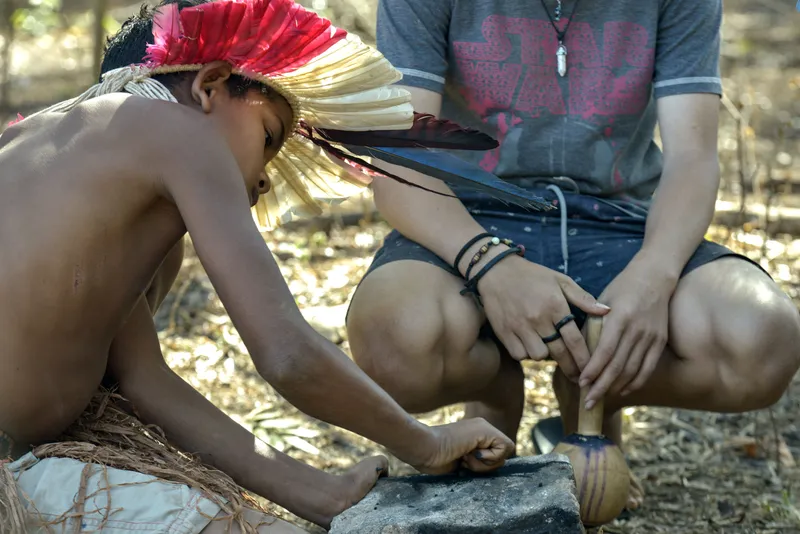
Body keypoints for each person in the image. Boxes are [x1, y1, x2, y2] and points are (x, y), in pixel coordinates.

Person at [0, 0, 515, 531]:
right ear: (210, 86)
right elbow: (286, 352)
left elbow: (144, 381)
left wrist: (323, 494)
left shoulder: (71, 157)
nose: (265, 180)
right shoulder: (180, 133)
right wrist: (425, 442)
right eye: (269, 137)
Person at [346, 0, 800, 512]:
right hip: (469, 214)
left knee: (761, 341)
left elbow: (693, 159)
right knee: (393, 344)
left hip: (616, 220)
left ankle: (591, 383)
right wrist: (489, 262)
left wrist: (654, 274)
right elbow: (400, 158)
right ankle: (496, 388)